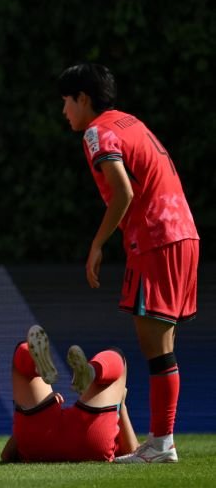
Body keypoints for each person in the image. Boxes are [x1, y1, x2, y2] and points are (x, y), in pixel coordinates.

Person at [58, 63, 199, 463]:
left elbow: (122, 192)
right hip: (183, 232)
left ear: (83, 98)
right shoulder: (130, 122)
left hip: (156, 238)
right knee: (163, 343)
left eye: (66, 102)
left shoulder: (96, 131)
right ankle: (161, 441)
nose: (64, 111)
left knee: (154, 344)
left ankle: (161, 443)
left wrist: (97, 244)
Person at [2, 325, 139, 463]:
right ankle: (92, 371)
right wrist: (121, 406)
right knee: (116, 354)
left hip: (38, 441)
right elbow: (133, 452)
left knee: (22, 353)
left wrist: (26, 419)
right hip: (90, 439)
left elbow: (6, 455)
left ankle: (36, 366)